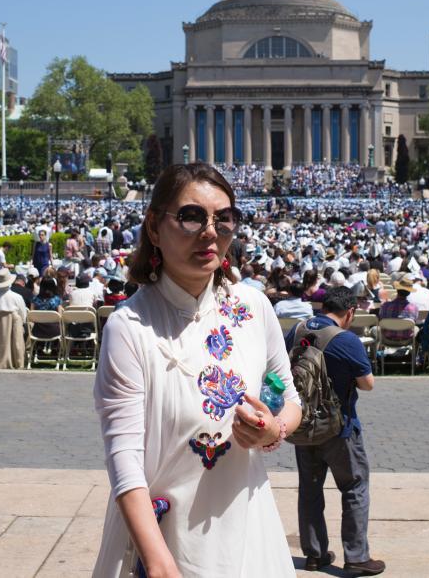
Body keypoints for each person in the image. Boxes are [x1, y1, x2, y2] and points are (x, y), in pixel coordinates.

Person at [93, 163, 303, 577]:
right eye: (191, 217)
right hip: (163, 533)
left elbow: (291, 400)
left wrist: (272, 430)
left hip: (248, 524)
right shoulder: (130, 327)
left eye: (223, 219)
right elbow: (124, 459)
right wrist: (158, 562)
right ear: (155, 226)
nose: (210, 232)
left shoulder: (254, 308)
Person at [284, 286, 385, 576]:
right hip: (339, 428)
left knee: (310, 488)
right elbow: (367, 384)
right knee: (354, 487)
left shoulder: (297, 330)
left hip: (303, 424)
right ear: (350, 312)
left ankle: (314, 554)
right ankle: (356, 557)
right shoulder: (346, 339)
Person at [378, 275, 418, 342]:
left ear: (397, 290)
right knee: (416, 328)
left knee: (374, 329)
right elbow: (414, 322)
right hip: (406, 339)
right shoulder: (414, 308)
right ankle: (415, 352)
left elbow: (381, 319)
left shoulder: (385, 306)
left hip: (387, 338)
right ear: (409, 293)